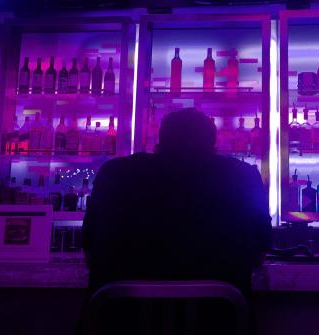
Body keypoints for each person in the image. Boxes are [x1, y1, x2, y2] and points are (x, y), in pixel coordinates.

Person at [82, 107, 272, 297]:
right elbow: (258, 255)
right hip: (218, 317)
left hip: (119, 318)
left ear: (160, 140)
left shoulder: (114, 173)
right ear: (213, 143)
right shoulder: (243, 176)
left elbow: (90, 253)